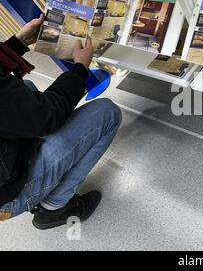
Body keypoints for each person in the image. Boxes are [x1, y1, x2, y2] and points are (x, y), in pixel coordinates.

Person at [0, 15, 122, 230]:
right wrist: (80, 69)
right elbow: (48, 115)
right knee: (107, 113)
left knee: (26, 87)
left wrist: (17, 43)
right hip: (7, 196)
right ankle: (55, 205)